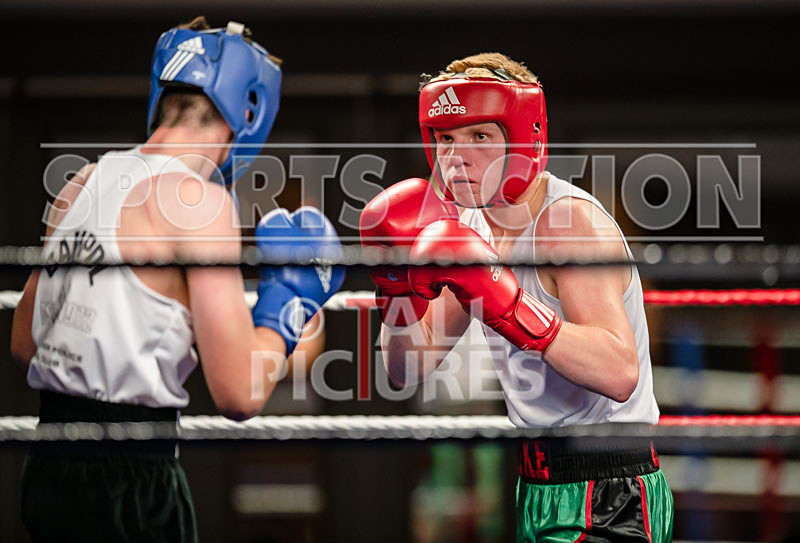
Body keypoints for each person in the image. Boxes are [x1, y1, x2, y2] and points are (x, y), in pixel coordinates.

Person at [9, 16, 343, 542]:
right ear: (250, 110)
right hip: (131, 480)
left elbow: (26, 342)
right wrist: (292, 300)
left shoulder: (83, 181)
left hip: (47, 469)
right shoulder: (201, 203)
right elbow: (239, 393)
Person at [361, 53, 673, 542]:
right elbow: (406, 369)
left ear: (525, 138)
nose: (455, 156)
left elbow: (619, 373)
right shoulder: (465, 229)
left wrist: (506, 304)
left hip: (610, 486)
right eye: (446, 139)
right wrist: (395, 291)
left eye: (479, 137)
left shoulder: (568, 224)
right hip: (537, 481)